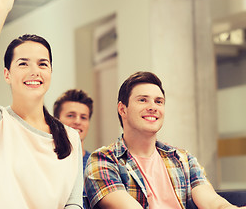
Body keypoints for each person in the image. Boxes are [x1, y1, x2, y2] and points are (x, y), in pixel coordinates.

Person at [0, 0, 83, 208]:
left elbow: (73, 202)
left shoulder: (70, 137)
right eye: (23, 64)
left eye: (42, 64)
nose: (34, 71)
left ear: (50, 72)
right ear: (7, 74)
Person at [84, 71, 246, 209]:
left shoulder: (182, 159)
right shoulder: (103, 160)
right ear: (122, 109)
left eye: (159, 101)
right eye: (143, 100)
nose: (153, 106)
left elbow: (212, 202)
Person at [53, 89, 93, 172]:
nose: (77, 122)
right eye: (70, 115)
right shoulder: (47, 160)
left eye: (83, 117)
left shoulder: (96, 164)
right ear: (56, 120)